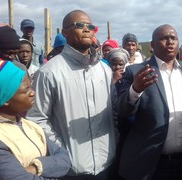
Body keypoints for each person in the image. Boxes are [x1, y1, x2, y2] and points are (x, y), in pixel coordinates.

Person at [117, 24, 182, 180]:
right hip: (151, 164)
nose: (170, 42)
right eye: (164, 38)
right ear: (152, 45)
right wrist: (135, 90)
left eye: (173, 38)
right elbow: (122, 110)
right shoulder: (136, 71)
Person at [26, 10, 117, 179]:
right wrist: (62, 151)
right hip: (71, 171)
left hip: (107, 165)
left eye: (90, 26)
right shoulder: (49, 72)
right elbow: (36, 118)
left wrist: (114, 142)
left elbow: (113, 112)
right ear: (65, 33)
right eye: (79, 25)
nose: (86, 29)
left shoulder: (104, 70)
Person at [0, 59, 71, 179]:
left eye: (30, 86)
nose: (33, 93)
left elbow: (64, 159)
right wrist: (51, 170)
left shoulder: (31, 126)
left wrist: (36, 167)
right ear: (5, 99)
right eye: (26, 90)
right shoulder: (0, 137)